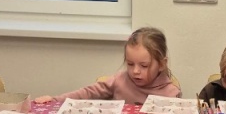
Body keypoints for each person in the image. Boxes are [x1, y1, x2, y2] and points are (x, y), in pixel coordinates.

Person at [34, 27, 182, 105]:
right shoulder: (119, 81)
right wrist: (56, 100)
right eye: (130, 64)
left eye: (144, 65)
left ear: (161, 64)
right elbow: (87, 93)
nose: (135, 71)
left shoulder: (171, 93)